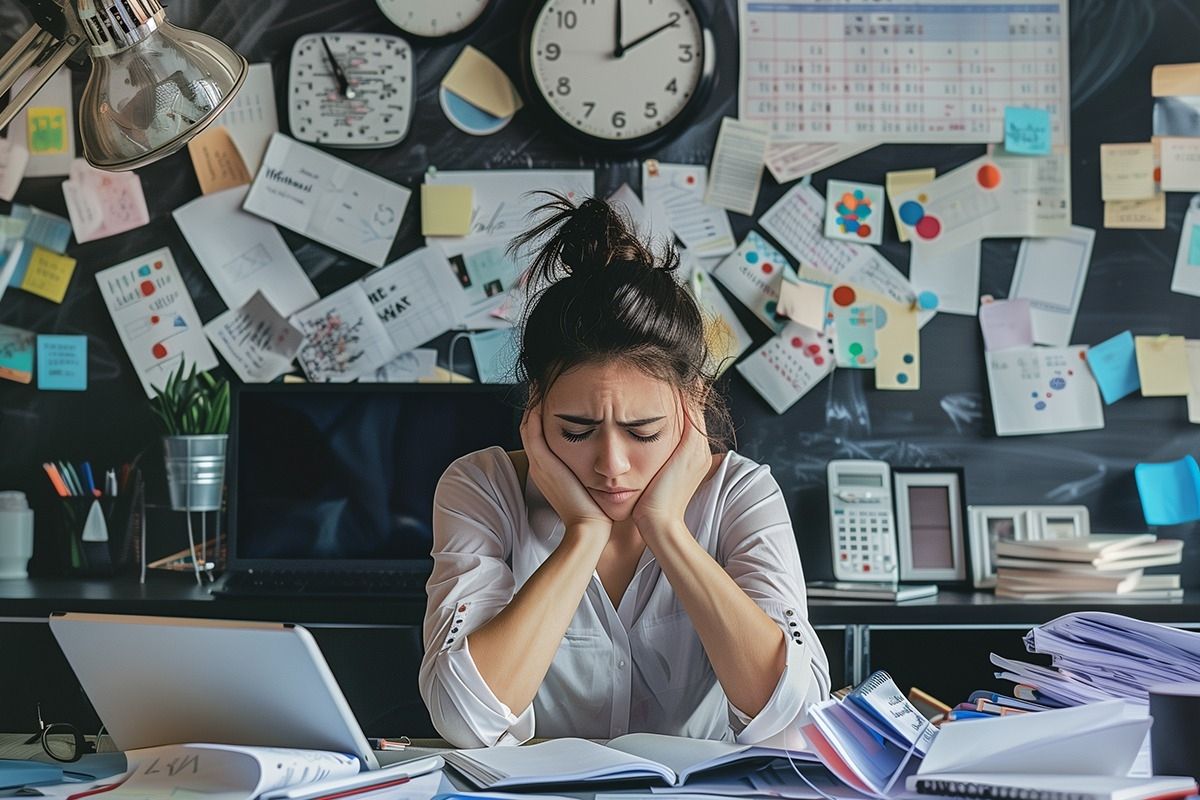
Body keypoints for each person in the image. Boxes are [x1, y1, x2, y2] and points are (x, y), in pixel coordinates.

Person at [419, 195, 830, 748]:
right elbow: (464, 720)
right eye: (575, 431)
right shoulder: (481, 488)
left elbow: (796, 715)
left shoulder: (740, 493)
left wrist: (667, 530)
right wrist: (581, 537)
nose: (611, 466)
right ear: (535, 407)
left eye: (643, 433)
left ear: (694, 405)